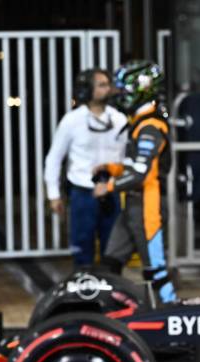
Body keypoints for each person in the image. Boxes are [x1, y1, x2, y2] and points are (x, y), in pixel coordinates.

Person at [93, 60, 177, 304]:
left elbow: (141, 174)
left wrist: (107, 186)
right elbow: (139, 167)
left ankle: (171, 318)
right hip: (133, 206)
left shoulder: (151, 126)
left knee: (155, 270)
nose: (119, 95)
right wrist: (111, 168)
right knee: (109, 265)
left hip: (147, 207)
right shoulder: (141, 123)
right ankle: (111, 314)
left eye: (123, 90)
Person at [44, 68, 127, 267]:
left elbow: (125, 159)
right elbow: (54, 158)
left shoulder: (119, 120)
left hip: (111, 192)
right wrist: (53, 194)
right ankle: (84, 292)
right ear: (86, 89)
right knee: (82, 252)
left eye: (108, 84)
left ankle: (111, 292)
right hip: (82, 193)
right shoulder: (72, 121)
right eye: (101, 85)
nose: (107, 89)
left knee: (113, 251)